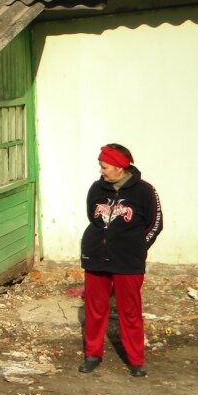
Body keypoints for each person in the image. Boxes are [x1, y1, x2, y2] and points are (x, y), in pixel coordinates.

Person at [78, 144, 163, 377]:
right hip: (96, 257)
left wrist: (136, 247)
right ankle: (92, 354)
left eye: (104, 166)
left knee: (130, 310)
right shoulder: (96, 188)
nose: (101, 171)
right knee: (94, 309)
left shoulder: (145, 191)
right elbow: (93, 218)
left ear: (119, 167)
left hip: (128, 261)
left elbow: (155, 224)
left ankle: (135, 360)